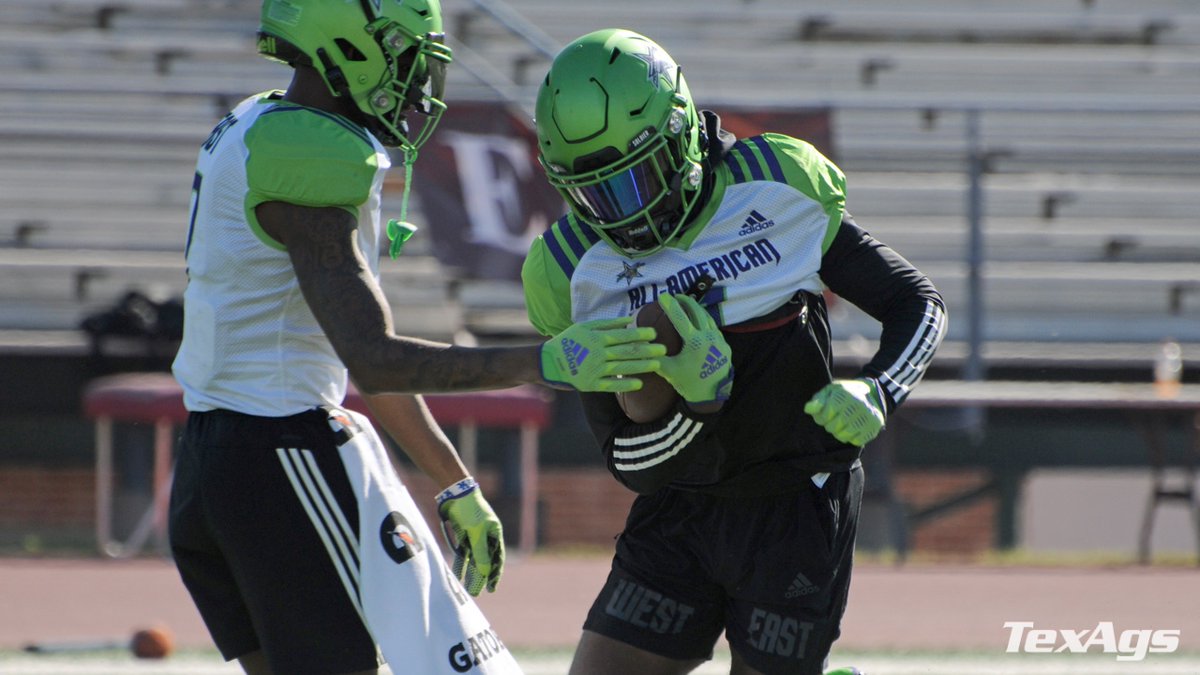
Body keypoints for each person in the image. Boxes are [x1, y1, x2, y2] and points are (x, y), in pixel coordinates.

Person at [168, 4, 666, 674]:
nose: (418, 77)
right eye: (404, 52)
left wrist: (453, 483)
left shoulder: (256, 121)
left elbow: (363, 363)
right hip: (282, 455)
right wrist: (545, 360)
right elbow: (372, 358)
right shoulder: (311, 153)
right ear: (349, 44)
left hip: (213, 460)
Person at [522, 29, 948, 675]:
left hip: (794, 502)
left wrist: (879, 388)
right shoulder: (570, 267)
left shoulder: (777, 187)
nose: (626, 213)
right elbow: (630, 461)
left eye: (639, 179)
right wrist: (698, 403)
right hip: (677, 508)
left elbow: (917, 301)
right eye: (598, 193)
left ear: (681, 132)